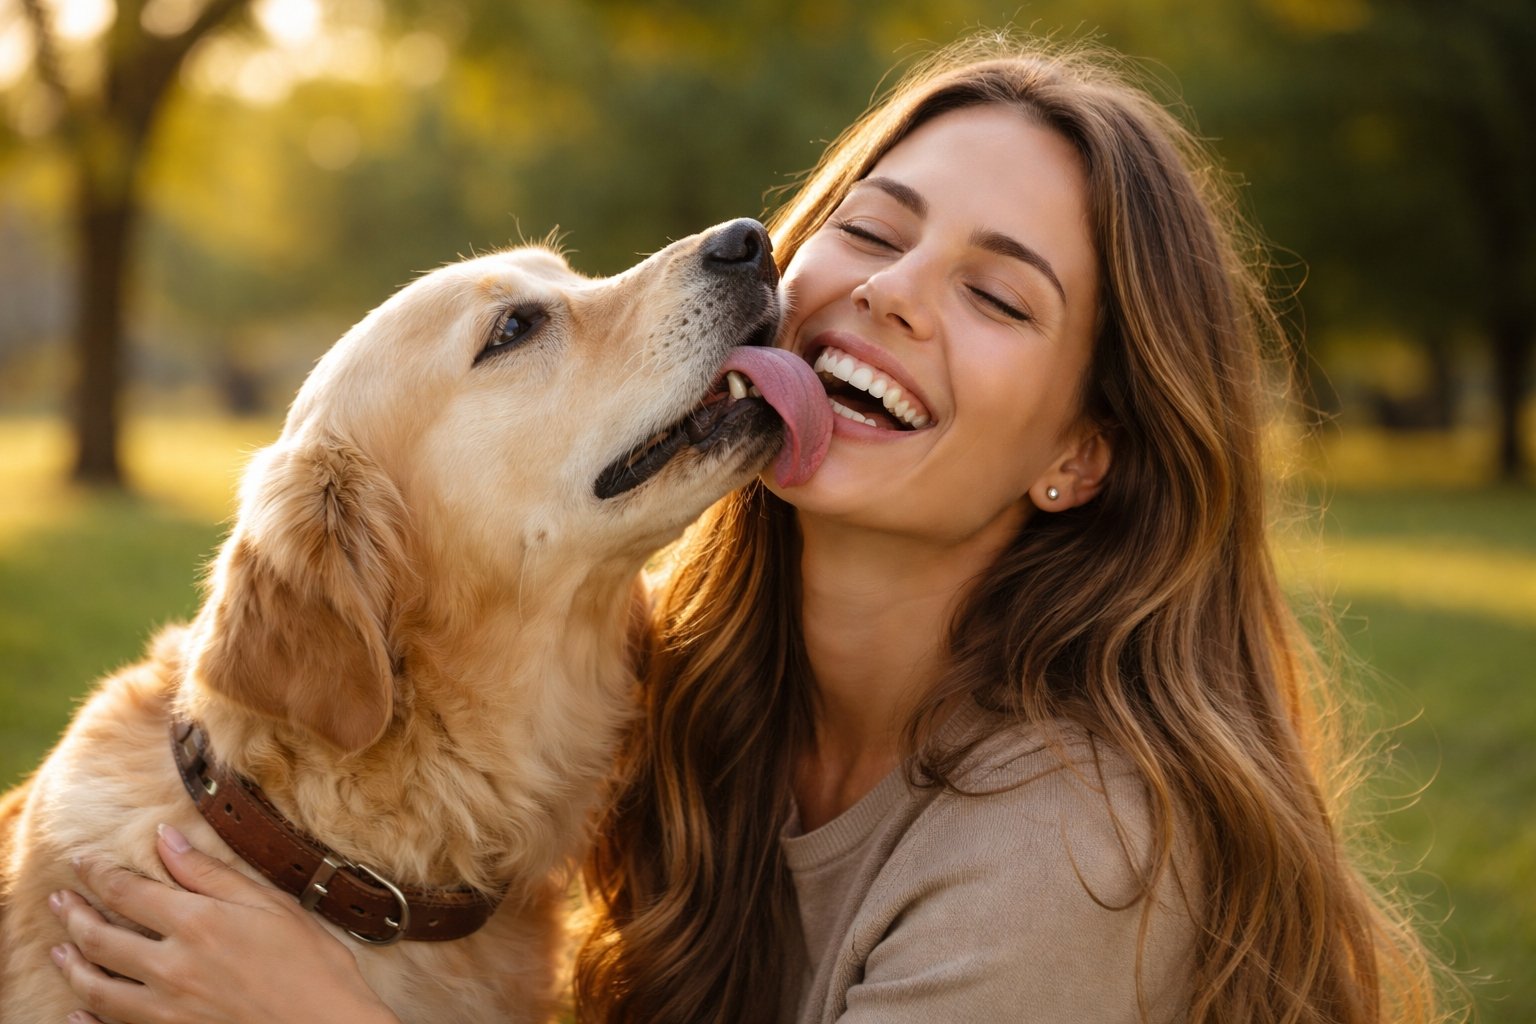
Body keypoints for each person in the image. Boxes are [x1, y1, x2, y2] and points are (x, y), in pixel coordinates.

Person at [46, 35, 1445, 1024]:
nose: (891, 293)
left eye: (1000, 298)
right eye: (875, 227)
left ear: (1082, 456)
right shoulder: (675, 716)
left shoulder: (1066, 867)